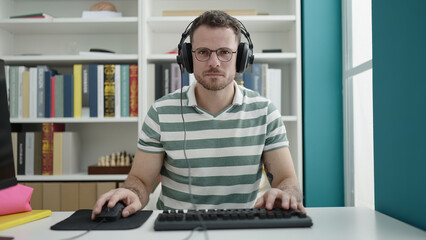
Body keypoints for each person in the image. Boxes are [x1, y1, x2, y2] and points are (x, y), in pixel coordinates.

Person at [91, 10, 305, 220]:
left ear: (241, 58)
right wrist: (132, 193)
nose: (214, 62)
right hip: (174, 226)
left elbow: (287, 181)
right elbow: (140, 180)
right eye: (203, 52)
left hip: (242, 226)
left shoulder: (265, 112)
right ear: (187, 57)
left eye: (224, 52)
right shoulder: (161, 112)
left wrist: (286, 194)